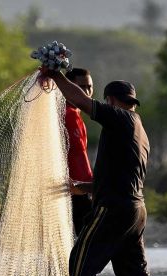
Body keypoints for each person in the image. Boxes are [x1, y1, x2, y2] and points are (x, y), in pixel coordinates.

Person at [41, 69, 153, 276]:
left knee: (80, 263)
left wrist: (55, 75)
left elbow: (81, 101)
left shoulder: (120, 118)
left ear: (111, 100)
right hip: (135, 212)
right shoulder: (139, 129)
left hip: (113, 210)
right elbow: (121, 177)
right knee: (132, 271)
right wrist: (81, 187)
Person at [64, 68, 95, 236]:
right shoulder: (65, 114)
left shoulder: (76, 114)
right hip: (72, 190)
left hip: (85, 189)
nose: (87, 92)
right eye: (82, 87)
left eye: (89, 86)